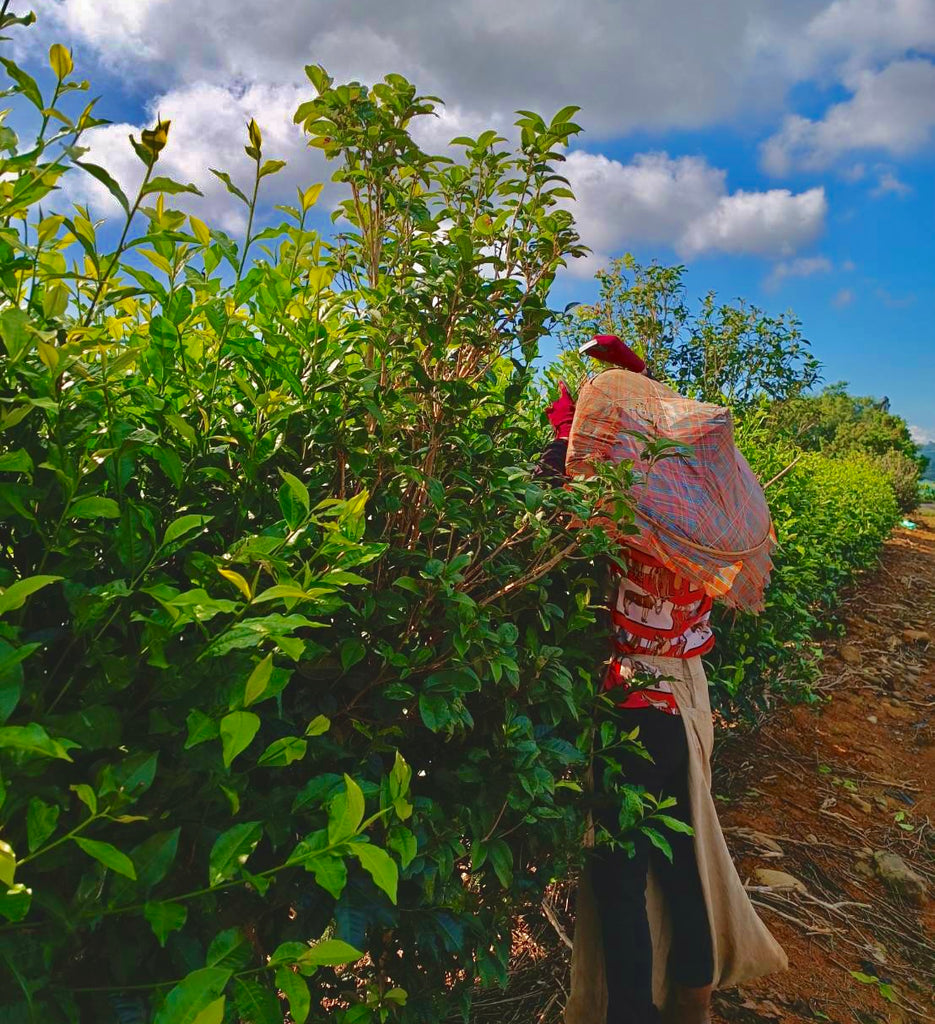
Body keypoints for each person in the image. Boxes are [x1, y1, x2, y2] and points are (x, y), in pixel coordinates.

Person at [540, 336, 787, 1024]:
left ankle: (629, 1014)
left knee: (617, 875)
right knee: (679, 852)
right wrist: (634, 380)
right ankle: (693, 995)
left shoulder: (625, 528)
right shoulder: (693, 529)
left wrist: (571, 425)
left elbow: (562, 482)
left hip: (634, 711)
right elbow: (645, 450)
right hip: (684, 704)